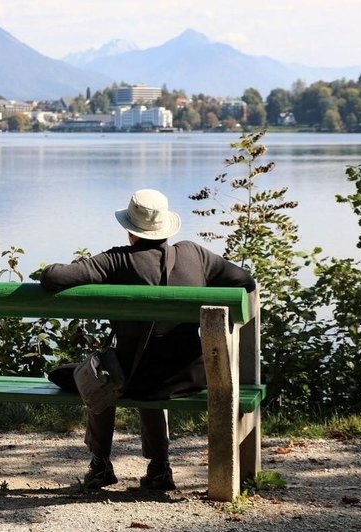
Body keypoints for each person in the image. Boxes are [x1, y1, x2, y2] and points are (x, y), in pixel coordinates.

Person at [40, 188, 255, 491]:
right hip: (190, 377)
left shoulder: (116, 261)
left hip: (134, 378)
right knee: (149, 365)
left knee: (94, 372)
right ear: (165, 226)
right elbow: (245, 280)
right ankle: (159, 468)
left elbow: (53, 278)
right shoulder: (195, 254)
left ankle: (100, 464)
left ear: (130, 229)